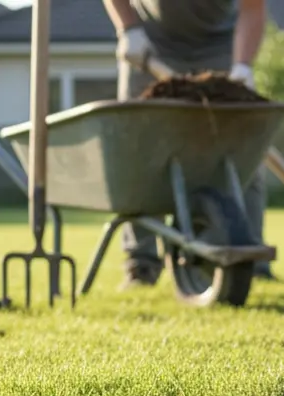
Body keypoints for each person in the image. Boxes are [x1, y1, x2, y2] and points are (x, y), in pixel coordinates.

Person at [101, 0, 271, 288]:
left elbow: (252, 8)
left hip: (219, 44)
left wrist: (242, 65)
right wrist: (128, 28)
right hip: (151, 41)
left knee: (242, 147)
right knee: (139, 150)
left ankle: (250, 260)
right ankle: (141, 264)